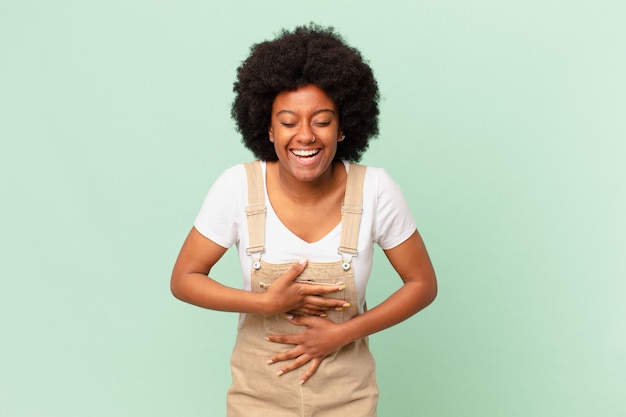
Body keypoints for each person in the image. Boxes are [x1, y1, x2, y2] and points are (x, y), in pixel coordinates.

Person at [171, 23, 437, 417]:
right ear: (268, 127)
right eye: (289, 121)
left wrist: (342, 334)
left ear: (344, 126)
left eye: (323, 120)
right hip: (256, 398)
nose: (306, 136)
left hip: (348, 397)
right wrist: (264, 303)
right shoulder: (237, 187)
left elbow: (422, 284)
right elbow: (184, 279)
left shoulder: (376, 190)